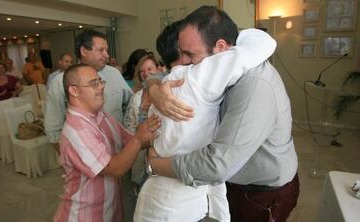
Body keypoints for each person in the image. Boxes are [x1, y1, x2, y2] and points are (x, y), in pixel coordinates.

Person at [146, 6, 299, 222]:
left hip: (259, 193)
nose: (183, 63)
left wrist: (155, 165)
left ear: (220, 46)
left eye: (189, 54)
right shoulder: (219, 62)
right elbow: (164, 74)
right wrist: (154, 90)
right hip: (235, 182)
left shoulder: (254, 85)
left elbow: (217, 165)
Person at [53, 63, 161, 222]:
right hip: (85, 215)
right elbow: (115, 168)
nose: (101, 87)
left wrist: (154, 129)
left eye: (100, 81)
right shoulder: (76, 129)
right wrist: (139, 137)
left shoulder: (101, 116)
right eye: (93, 84)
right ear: (74, 90)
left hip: (110, 210)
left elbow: (129, 142)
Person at [123, 54, 161, 189]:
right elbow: (128, 126)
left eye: (150, 69)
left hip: (161, 152)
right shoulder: (135, 98)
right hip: (140, 152)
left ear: (159, 69)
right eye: (142, 71)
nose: (146, 74)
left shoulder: (166, 93)